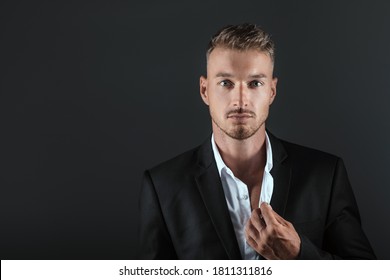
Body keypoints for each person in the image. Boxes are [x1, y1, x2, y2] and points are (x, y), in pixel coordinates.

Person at [137, 23, 376, 259]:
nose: (240, 100)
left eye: (255, 83)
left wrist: (300, 255)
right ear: (204, 90)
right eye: (225, 83)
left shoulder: (325, 175)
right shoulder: (163, 186)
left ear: (271, 91)